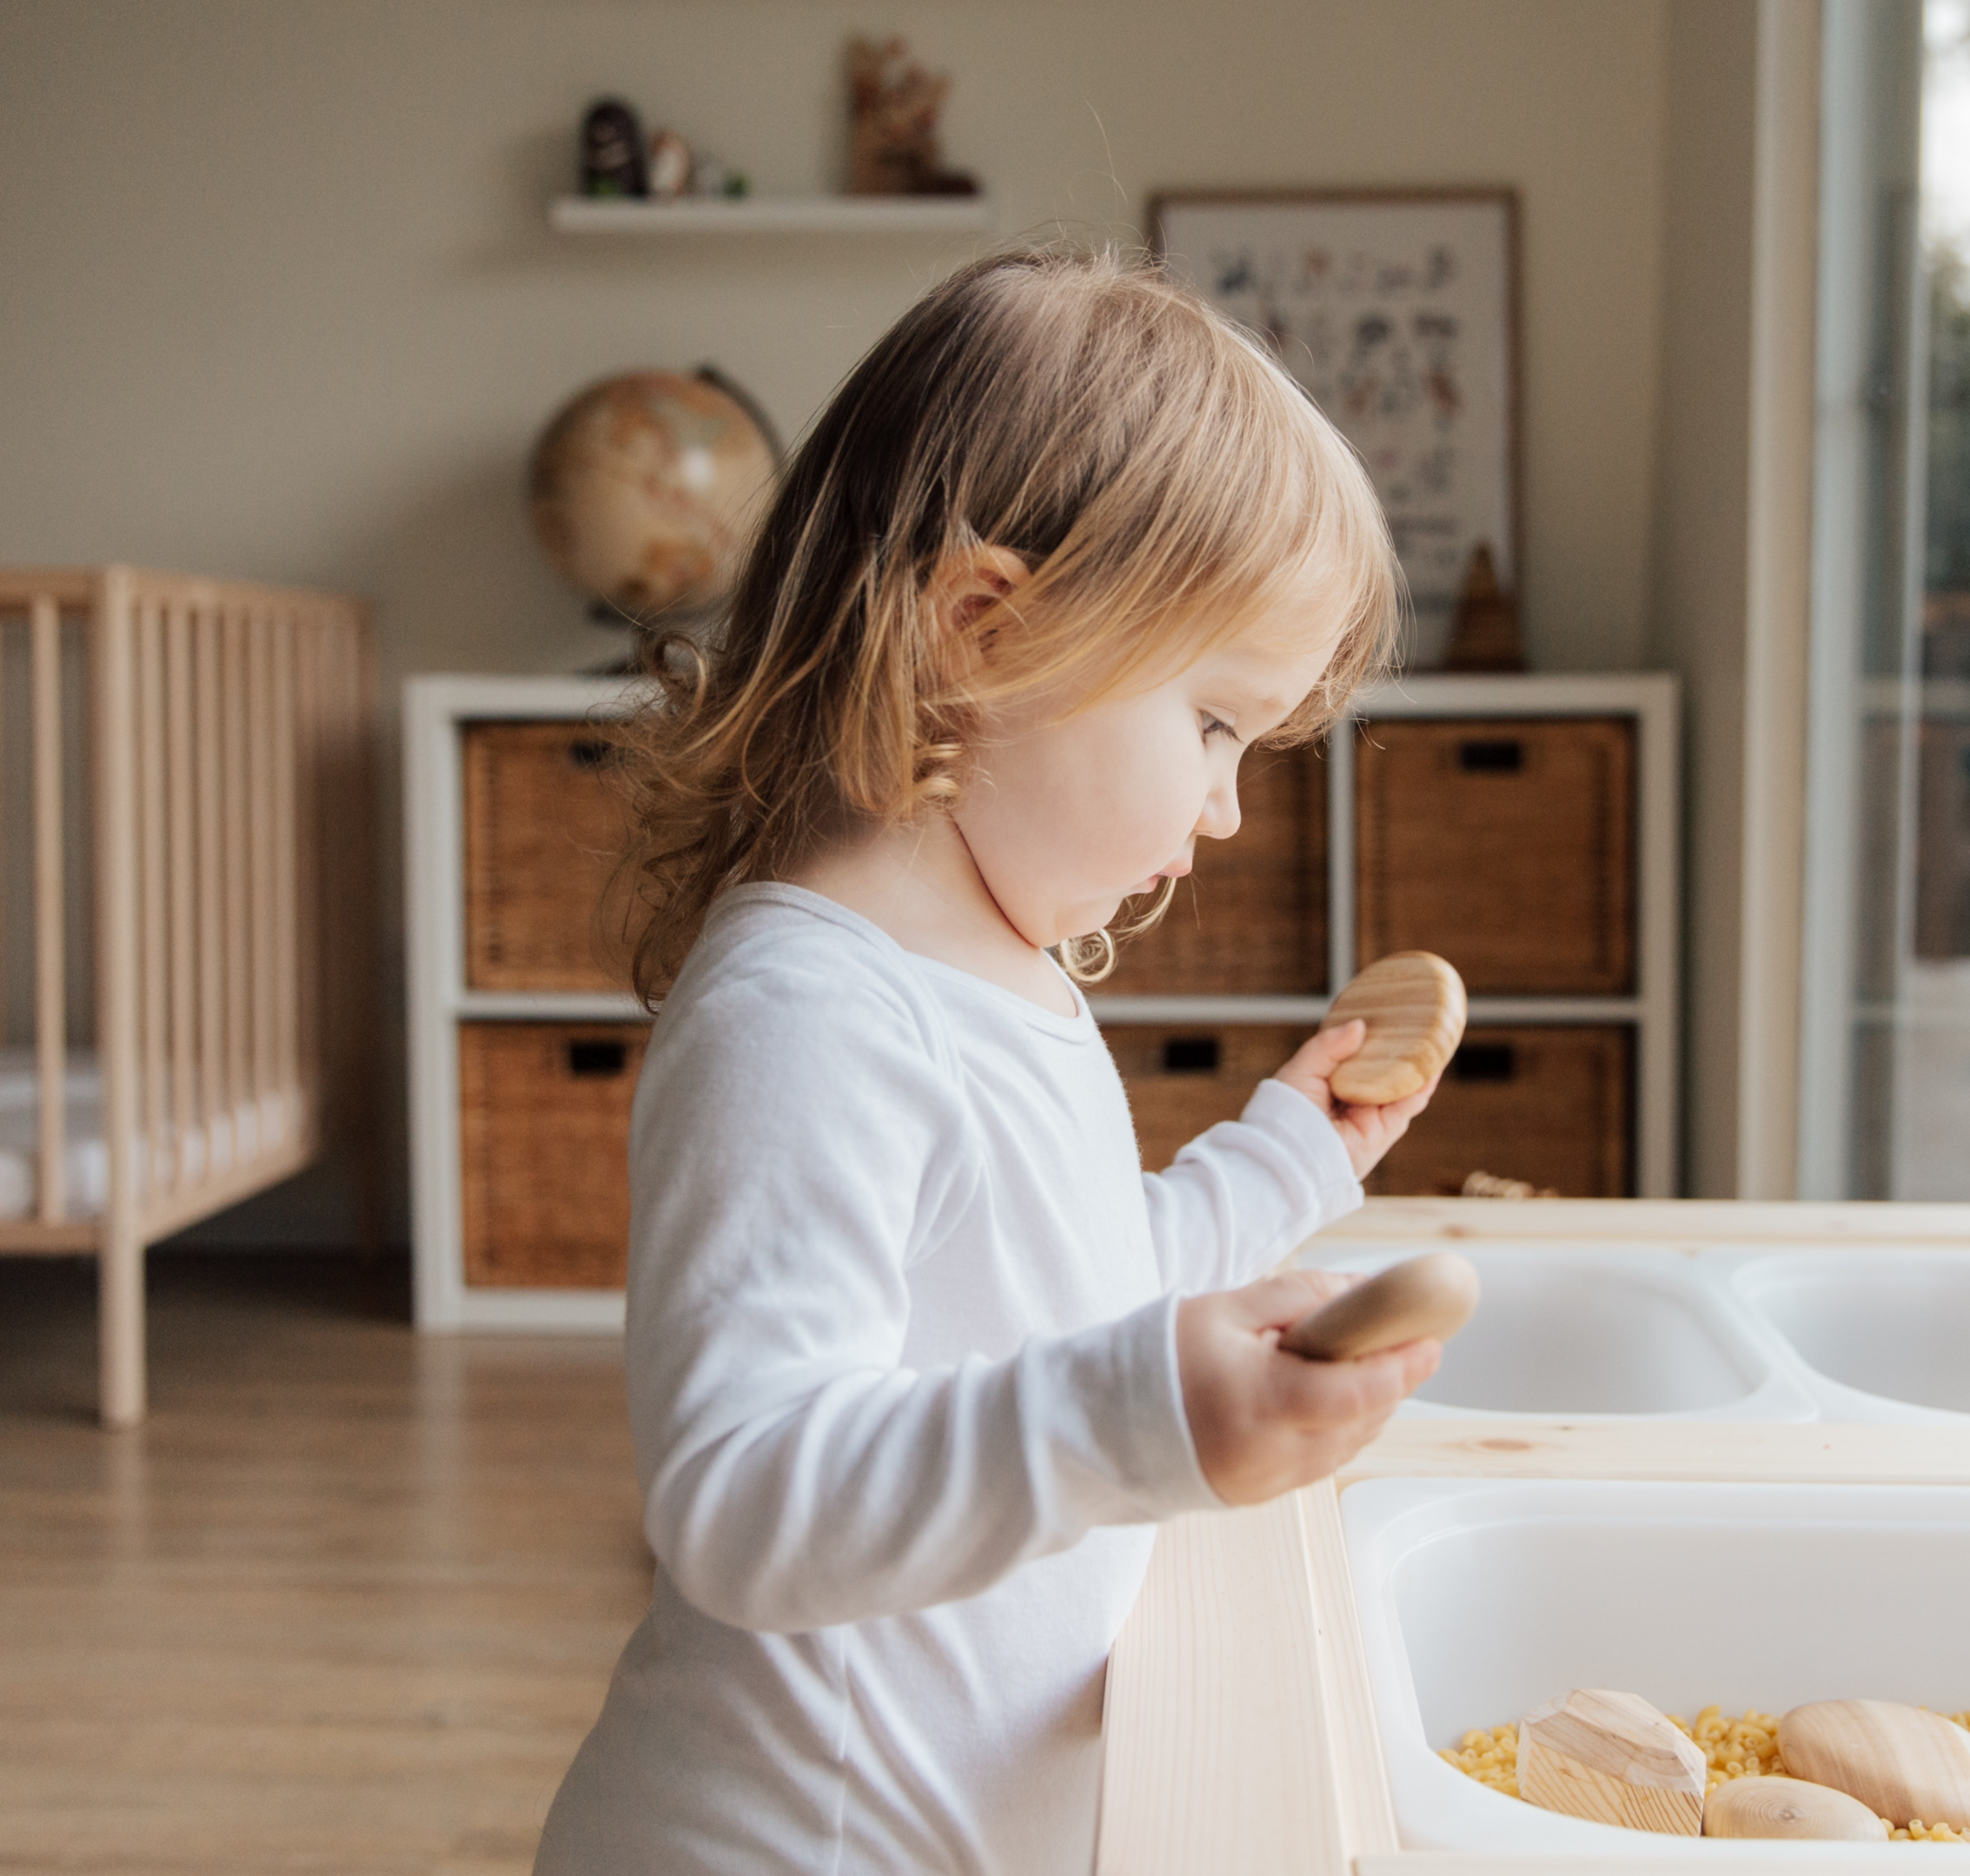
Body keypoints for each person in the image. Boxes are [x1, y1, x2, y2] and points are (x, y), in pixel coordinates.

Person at [533, 249, 1441, 1875]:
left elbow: (1056, 1290)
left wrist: (1291, 1156)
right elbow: (742, 1494)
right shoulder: (809, 1015)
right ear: (983, 629)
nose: (1229, 810)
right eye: (1218, 725)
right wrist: (1145, 1411)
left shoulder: (1001, 974)